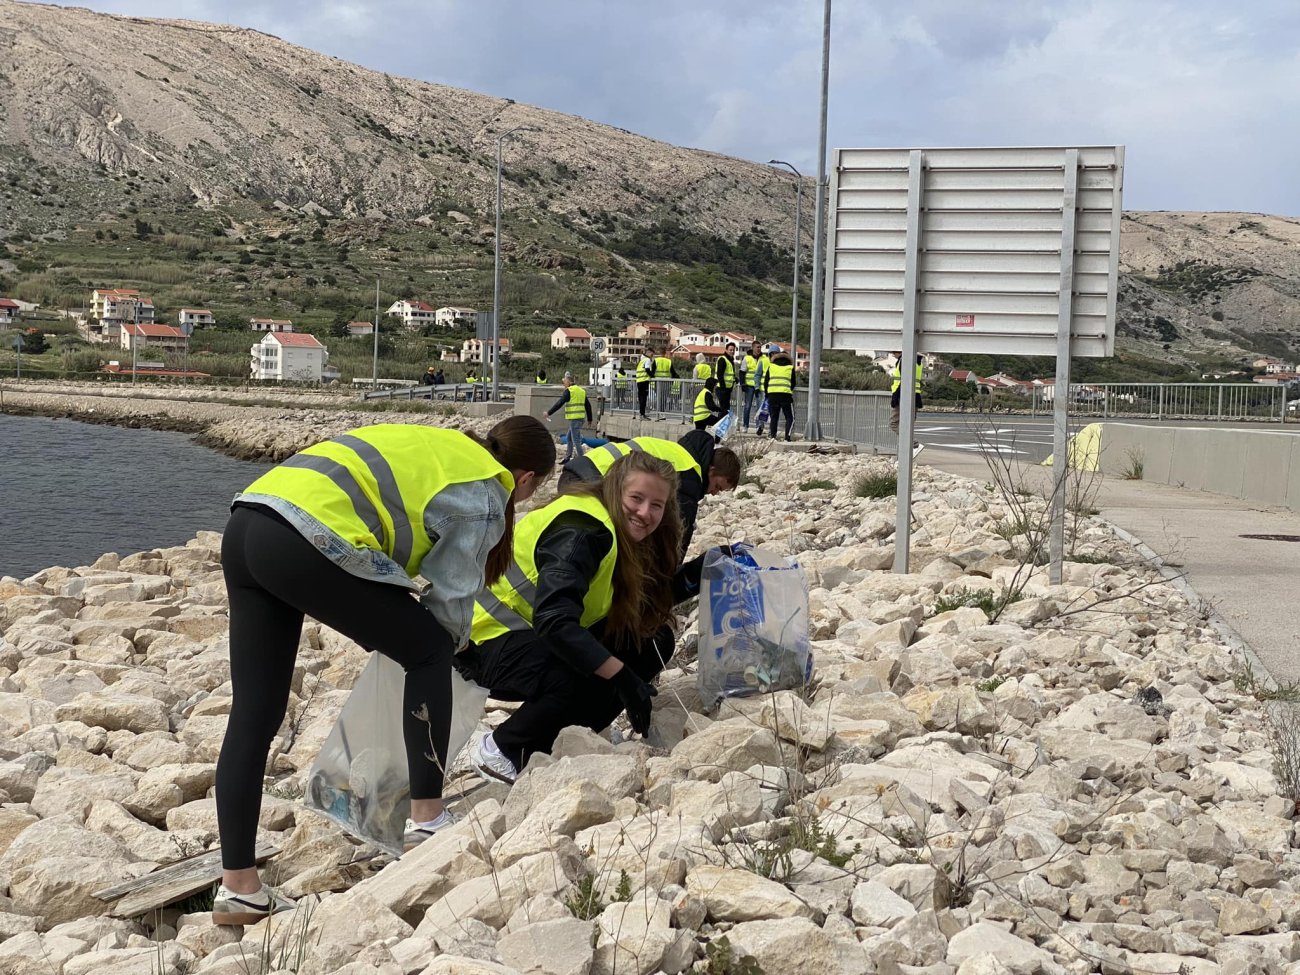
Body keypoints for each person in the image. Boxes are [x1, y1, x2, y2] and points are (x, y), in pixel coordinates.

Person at [212, 416, 556, 925]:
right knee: (429, 653)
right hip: (306, 535)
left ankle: (239, 887)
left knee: (253, 717)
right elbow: (451, 603)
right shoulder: (486, 489)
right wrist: (454, 654)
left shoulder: (444, 448)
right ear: (527, 478)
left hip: (249, 523)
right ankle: (426, 817)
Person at [460, 452, 718, 781]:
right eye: (636, 499)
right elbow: (555, 621)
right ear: (614, 490)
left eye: (657, 505)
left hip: (529, 633)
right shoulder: (582, 532)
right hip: (480, 639)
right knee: (585, 672)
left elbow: (645, 603)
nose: (645, 513)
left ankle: (570, 737)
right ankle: (502, 749)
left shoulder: (620, 530)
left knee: (651, 641)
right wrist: (622, 678)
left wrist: (702, 570)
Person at [557, 431, 740, 557]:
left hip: (580, 469)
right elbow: (678, 536)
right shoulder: (690, 476)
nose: (715, 493)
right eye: (718, 486)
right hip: (593, 483)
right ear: (711, 470)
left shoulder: (677, 452)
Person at [546, 372, 592, 464]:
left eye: (564, 382)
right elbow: (588, 405)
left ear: (568, 381)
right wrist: (590, 418)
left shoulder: (569, 391)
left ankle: (582, 461)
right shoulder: (581, 391)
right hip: (580, 419)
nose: (563, 384)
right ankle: (567, 458)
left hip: (575, 419)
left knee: (576, 441)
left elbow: (559, 403)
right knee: (569, 438)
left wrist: (549, 412)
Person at [890, 353, 924, 452]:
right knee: (908, 423)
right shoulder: (917, 361)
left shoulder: (905, 360)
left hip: (903, 395)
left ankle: (913, 444)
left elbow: (903, 380)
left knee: (894, 424)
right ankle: (908, 448)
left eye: (893, 352)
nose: (892, 354)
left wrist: (895, 396)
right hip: (915, 395)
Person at [764, 344, 796, 442]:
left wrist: (767, 394)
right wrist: (788, 389)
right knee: (790, 417)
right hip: (785, 395)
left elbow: (766, 382)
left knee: (774, 417)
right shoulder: (790, 367)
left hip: (772, 395)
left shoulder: (771, 366)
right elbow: (793, 383)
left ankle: (773, 437)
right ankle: (787, 437)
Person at [741, 340, 765, 431]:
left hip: (759, 386)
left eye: (760, 347)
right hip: (749, 386)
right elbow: (742, 372)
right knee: (747, 406)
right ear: (753, 348)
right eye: (757, 347)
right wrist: (743, 383)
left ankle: (759, 426)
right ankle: (745, 425)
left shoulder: (763, 358)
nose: (759, 349)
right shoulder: (747, 358)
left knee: (760, 407)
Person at [715, 342, 737, 415]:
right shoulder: (723, 359)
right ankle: (719, 425)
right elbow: (719, 374)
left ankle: (722, 424)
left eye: (733, 350)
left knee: (726, 408)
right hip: (722, 388)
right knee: (724, 409)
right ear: (726, 350)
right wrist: (723, 386)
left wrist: (735, 379)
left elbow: (730, 373)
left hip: (728, 388)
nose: (732, 351)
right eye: (730, 350)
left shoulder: (730, 360)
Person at [635, 351, 654, 418]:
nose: (652, 355)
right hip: (644, 381)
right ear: (648, 353)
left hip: (639, 381)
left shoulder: (642, 360)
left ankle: (641, 413)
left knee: (641, 398)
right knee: (643, 398)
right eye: (652, 354)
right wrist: (652, 376)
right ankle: (642, 414)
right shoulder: (647, 360)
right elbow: (647, 369)